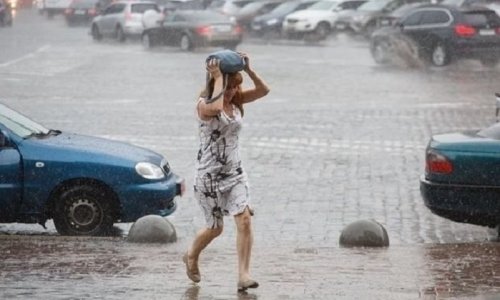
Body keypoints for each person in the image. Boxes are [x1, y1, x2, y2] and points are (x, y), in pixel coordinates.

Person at [184, 52, 270, 292]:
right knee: (215, 228)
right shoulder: (204, 106)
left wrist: (249, 70)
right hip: (208, 177)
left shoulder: (235, 102)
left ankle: (243, 275)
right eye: (230, 87)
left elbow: (264, 90)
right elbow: (215, 105)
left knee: (244, 220)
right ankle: (191, 255)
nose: (232, 92)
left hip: (235, 174)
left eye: (235, 87)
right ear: (217, 82)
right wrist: (218, 77)